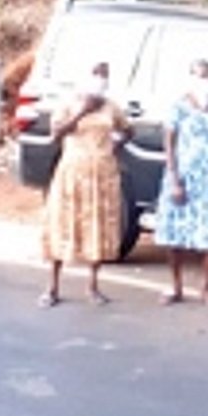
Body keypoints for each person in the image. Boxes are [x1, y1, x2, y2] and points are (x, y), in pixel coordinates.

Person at [40, 62, 131, 307]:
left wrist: (116, 145)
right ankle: (52, 287)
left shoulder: (111, 107)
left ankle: (92, 285)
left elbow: (128, 130)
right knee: (63, 222)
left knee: (97, 226)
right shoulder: (69, 103)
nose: (100, 82)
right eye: (96, 77)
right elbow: (56, 134)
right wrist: (82, 112)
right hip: (73, 171)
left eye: (104, 78)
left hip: (102, 172)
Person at [155, 59, 208, 306]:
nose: (203, 81)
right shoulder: (178, 106)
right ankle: (176, 286)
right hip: (184, 175)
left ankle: (206, 289)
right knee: (176, 234)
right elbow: (169, 142)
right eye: (198, 76)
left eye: (207, 76)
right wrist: (174, 178)